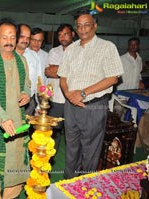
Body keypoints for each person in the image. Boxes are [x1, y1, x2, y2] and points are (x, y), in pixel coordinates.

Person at [58, 9, 123, 179]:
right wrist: (69, 94)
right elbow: (63, 77)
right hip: (70, 105)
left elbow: (113, 78)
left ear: (95, 26)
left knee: (90, 150)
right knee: (71, 147)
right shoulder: (71, 49)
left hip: (93, 106)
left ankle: (86, 186)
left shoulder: (107, 47)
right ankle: (69, 184)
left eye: (87, 25)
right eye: (79, 26)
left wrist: (83, 93)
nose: (83, 29)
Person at [0, 18, 31, 199]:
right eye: (4, 37)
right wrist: (3, 118)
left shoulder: (22, 61)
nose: (9, 41)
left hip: (18, 120)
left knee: (17, 158)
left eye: (12, 37)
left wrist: (26, 93)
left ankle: (13, 193)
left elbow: (27, 83)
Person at [45, 24, 75, 152]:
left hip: (74, 99)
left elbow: (55, 70)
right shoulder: (54, 51)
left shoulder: (80, 50)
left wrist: (59, 69)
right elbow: (49, 72)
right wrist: (72, 69)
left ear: (73, 34)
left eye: (66, 34)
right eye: (60, 35)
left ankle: (73, 159)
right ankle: (50, 158)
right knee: (54, 132)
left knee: (72, 132)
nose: (62, 37)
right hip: (56, 98)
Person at [15, 23, 41, 116]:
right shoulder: (7, 55)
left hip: (30, 102)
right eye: (22, 36)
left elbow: (39, 81)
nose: (25, 40)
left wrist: (39, 105)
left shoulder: (34, 56)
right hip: (12, 102)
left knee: (26, 129)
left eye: (28, 38)